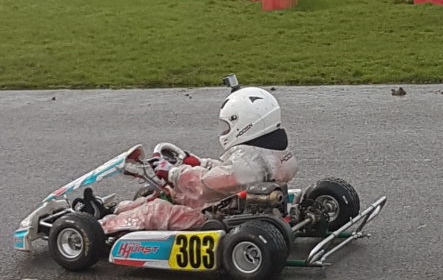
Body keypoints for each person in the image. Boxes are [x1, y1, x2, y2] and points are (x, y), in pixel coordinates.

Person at [102, 85, 298, 234]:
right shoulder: (269, 153)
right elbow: (225, 173)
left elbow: (204, 184)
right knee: (171, 193)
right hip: (233, 203)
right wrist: (199, 163)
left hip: (219, 219)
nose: (224, 131)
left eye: (227, 125)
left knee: (157, 210)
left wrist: (171, 172)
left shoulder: (248, 166)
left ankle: (99, 227)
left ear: (245, 125)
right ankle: (118, 209)